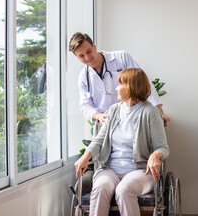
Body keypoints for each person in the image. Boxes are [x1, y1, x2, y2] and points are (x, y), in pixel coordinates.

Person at [74, 68, 169, 216]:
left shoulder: (151, 112)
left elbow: (162, 147)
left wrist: (155, 155)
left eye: (120, 84)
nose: (116, 88)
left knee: (124, 190)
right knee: (100, 188)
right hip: (110, 170)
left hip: (140, 171)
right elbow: (99, 139)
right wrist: (85, 156)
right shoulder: (114, 110)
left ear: (131, 87)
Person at [69, 32, 170, 126]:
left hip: (131, 118)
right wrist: (99, 116)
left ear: (94, 46)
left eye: (89, 51)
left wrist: (159, 112)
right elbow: (85, 105)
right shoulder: (83, 76)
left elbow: (143, 83)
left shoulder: (122, 57)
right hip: (106, 124)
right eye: (81, 56)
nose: (87, 58)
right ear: (77, 57)